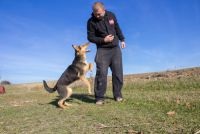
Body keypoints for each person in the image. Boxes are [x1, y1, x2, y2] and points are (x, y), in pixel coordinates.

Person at [87, 2, 126, 105]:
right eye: (95, 14)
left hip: (115, 49)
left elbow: (117, 27)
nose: (97, 16)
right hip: (102, 50)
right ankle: (99, 97)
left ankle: (117, 95)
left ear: (104, 10)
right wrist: (103, 40)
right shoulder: (91, 22)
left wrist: (122, 39)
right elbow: (90, 37)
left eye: (99, 14)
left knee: (118, 73)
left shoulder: (111, 15)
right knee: (102, 74)